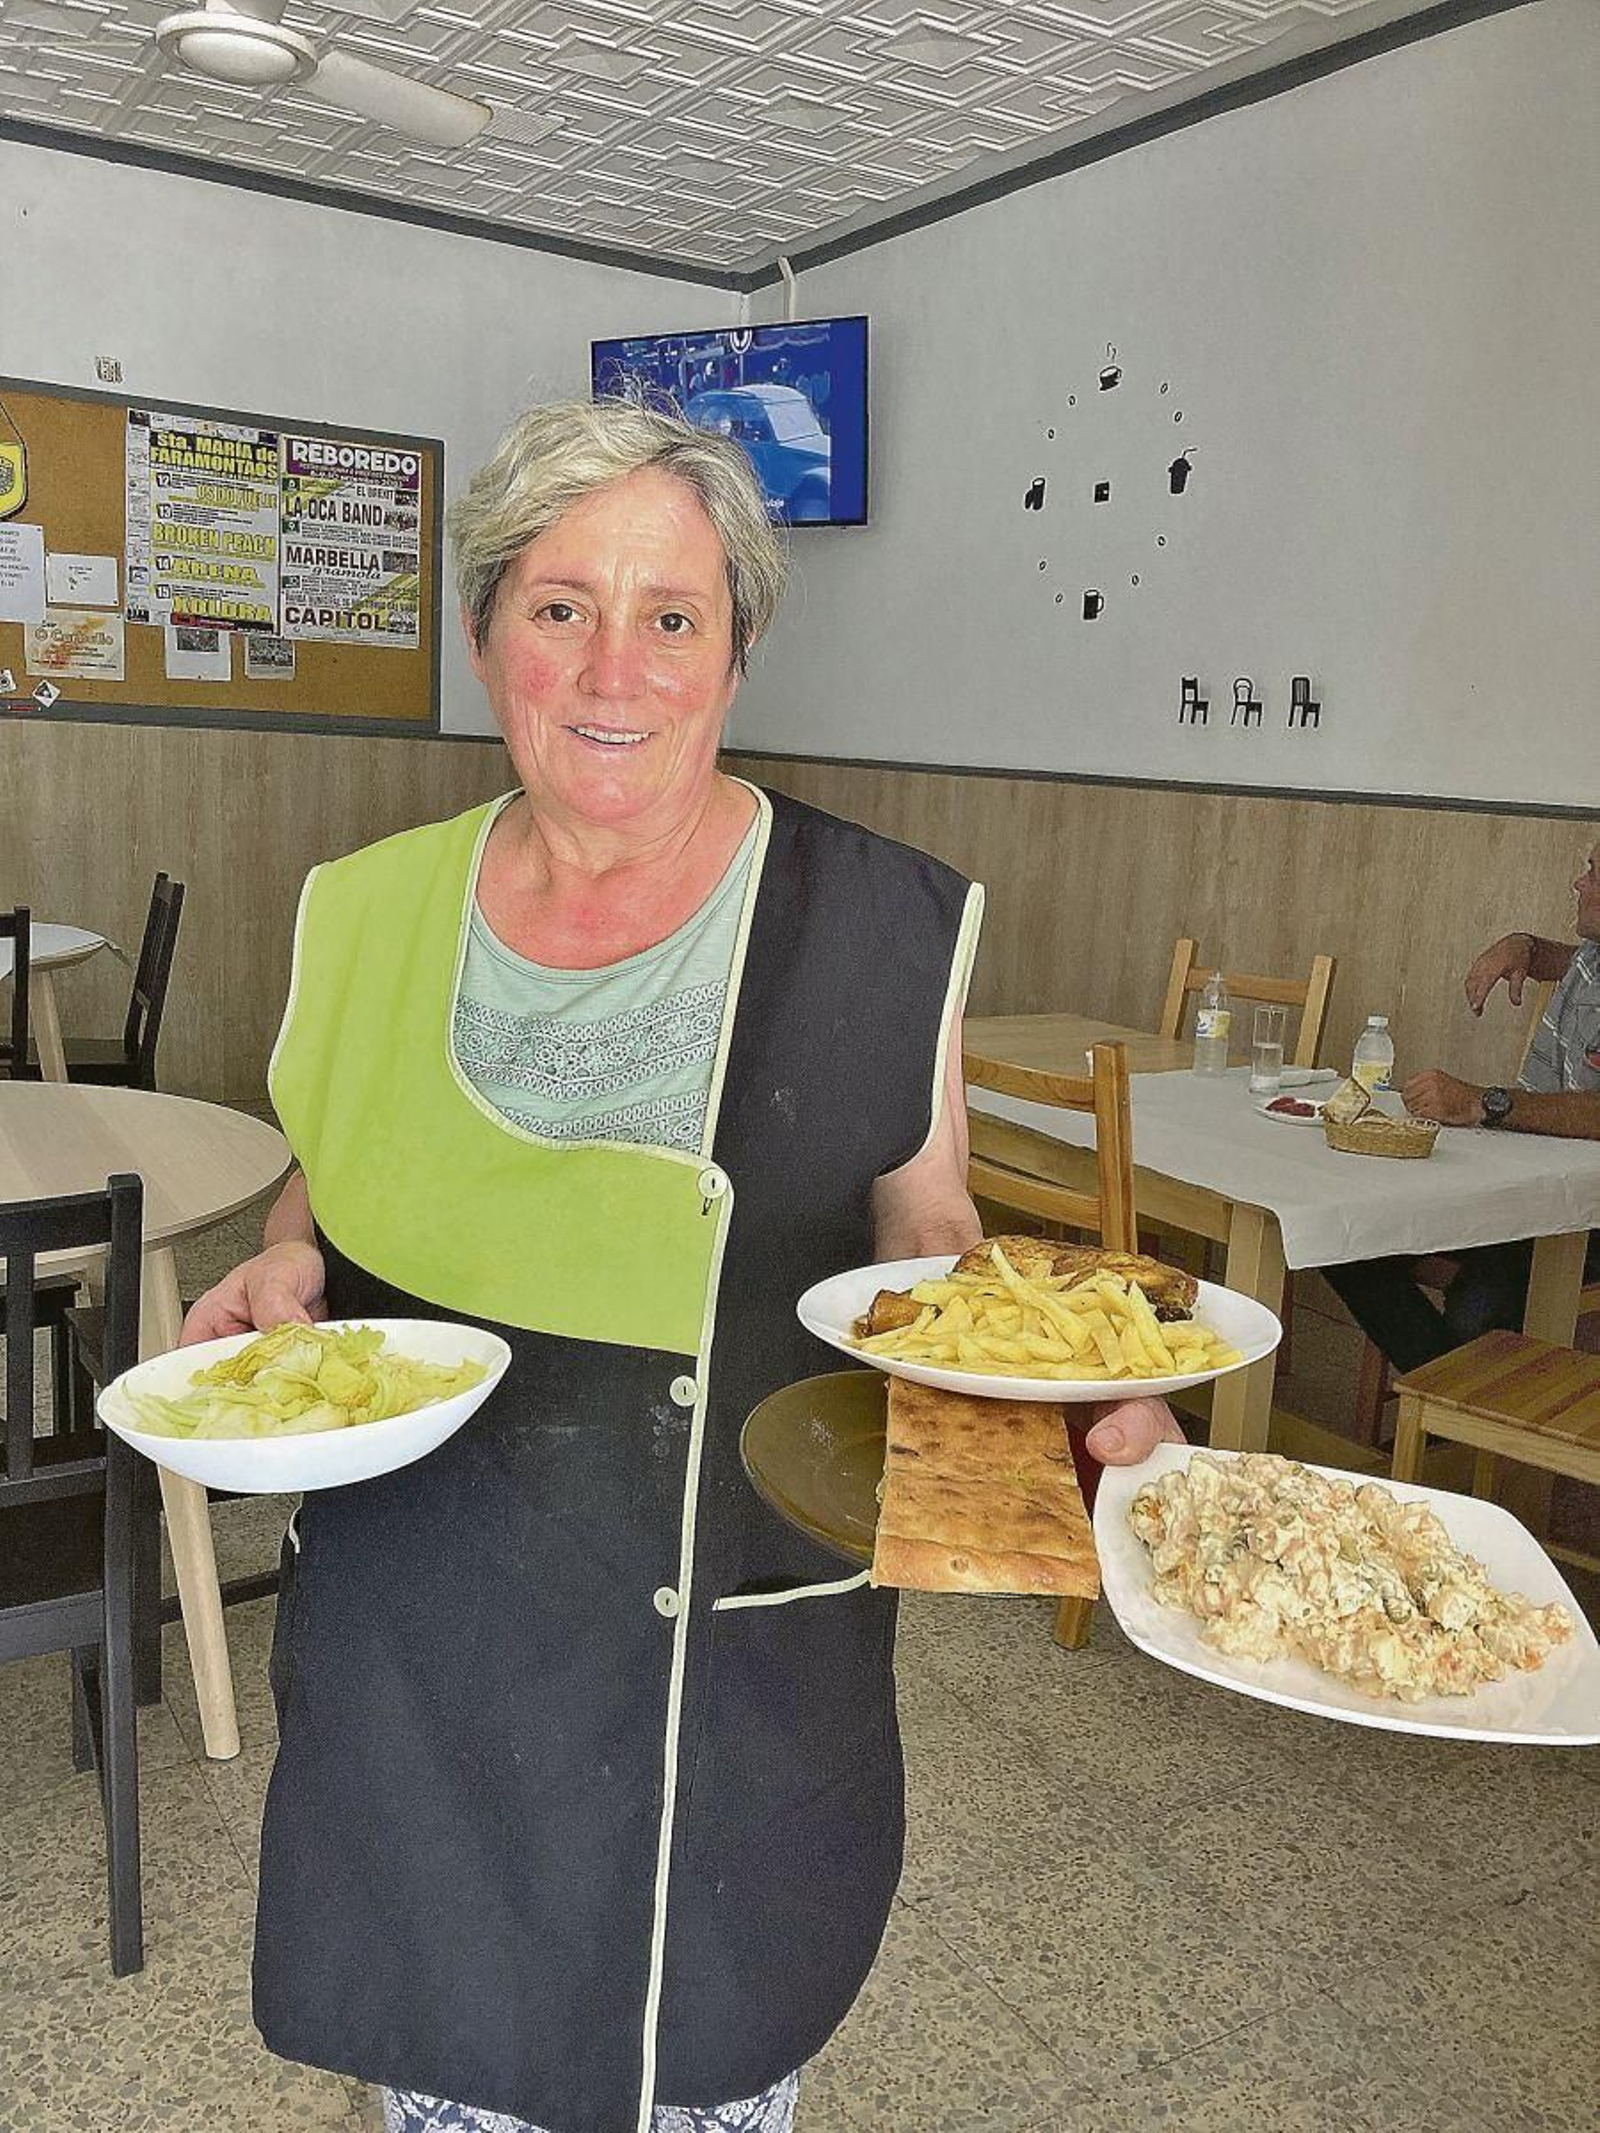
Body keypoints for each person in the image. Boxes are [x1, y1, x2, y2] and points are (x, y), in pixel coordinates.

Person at [183, 400, 1182, 2133]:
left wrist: (1048, 1386)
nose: (614, 666)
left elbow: (927, 1235)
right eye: (561, 604)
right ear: (486, 629)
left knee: (701, 2068)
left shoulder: (878, 923)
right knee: (452, 2085)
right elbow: (317, 1195)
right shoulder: (359, 905)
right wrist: (281, 1274)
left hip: (723, 1677)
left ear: (736, 657)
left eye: (674, 615)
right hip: (420, 1669)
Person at [1325, 841, 1600, 1372]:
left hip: (1582, 1218)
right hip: (1539, 1190)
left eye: (1592, 873)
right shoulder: (1591, 959)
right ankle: (1447, 1394)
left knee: (1485, 1298)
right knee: (1351, 1233)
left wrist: (1484, 1102)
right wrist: (1522, 945)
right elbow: (1563, 959)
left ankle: (1451, 1407)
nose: (1579, 884)